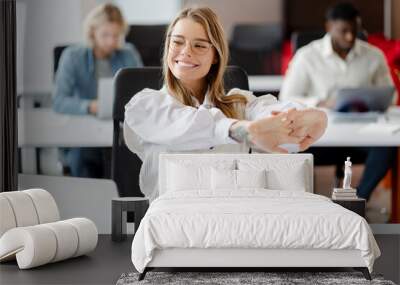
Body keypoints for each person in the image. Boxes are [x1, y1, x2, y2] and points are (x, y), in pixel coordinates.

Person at [123, 7, 327, 201]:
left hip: (229, 219)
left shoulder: (240, 103)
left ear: (215, 56)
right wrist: (244, 131)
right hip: (172, 223)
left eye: (200, 45)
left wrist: (308, 119)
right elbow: (189, 123)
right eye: (177, 42)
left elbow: (270, 114)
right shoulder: (146, 105)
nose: (185, 52)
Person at [280, 2, 396, 200]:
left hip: (363, 133)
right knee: (291, 150)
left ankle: (357, 202)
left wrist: (373, 101)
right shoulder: (307, 56)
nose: (350, 37)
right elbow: (287, 97)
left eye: (354, 31)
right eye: (343, 31)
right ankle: (308, 206)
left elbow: (391, 95)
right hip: (322, 135)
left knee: (387, 148)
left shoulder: (373, 56)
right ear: (328, 27)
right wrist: (322, 102)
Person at [53, 3, 143, 178]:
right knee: (85, 158)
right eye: (105, 35)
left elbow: (143, 92)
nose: (111, 41)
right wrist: (90, 106)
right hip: (84, 134)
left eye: (116, 35)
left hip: (120, 131)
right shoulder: (72, 57)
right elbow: (59, 101)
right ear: (92, 32)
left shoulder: (128, 53)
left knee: (132, 156)